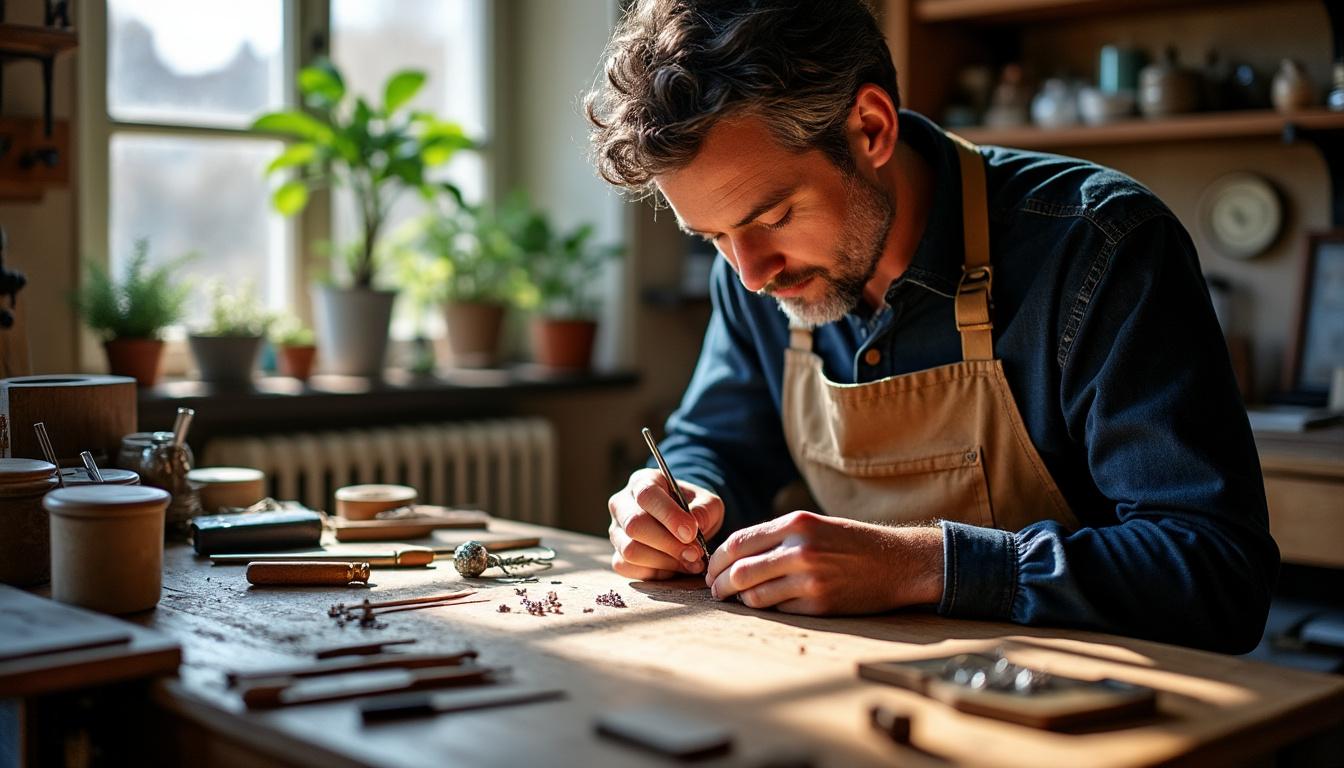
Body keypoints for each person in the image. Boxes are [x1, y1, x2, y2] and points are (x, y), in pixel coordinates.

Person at [588, 0, 1278, 653]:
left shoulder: (1099, 248)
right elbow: (718, 445)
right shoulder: (761, 276)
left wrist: (926, 565)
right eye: (712, 236)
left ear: (871, 128)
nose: (750, 273)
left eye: (771, 218)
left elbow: (1218, 571)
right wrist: (675, 501)